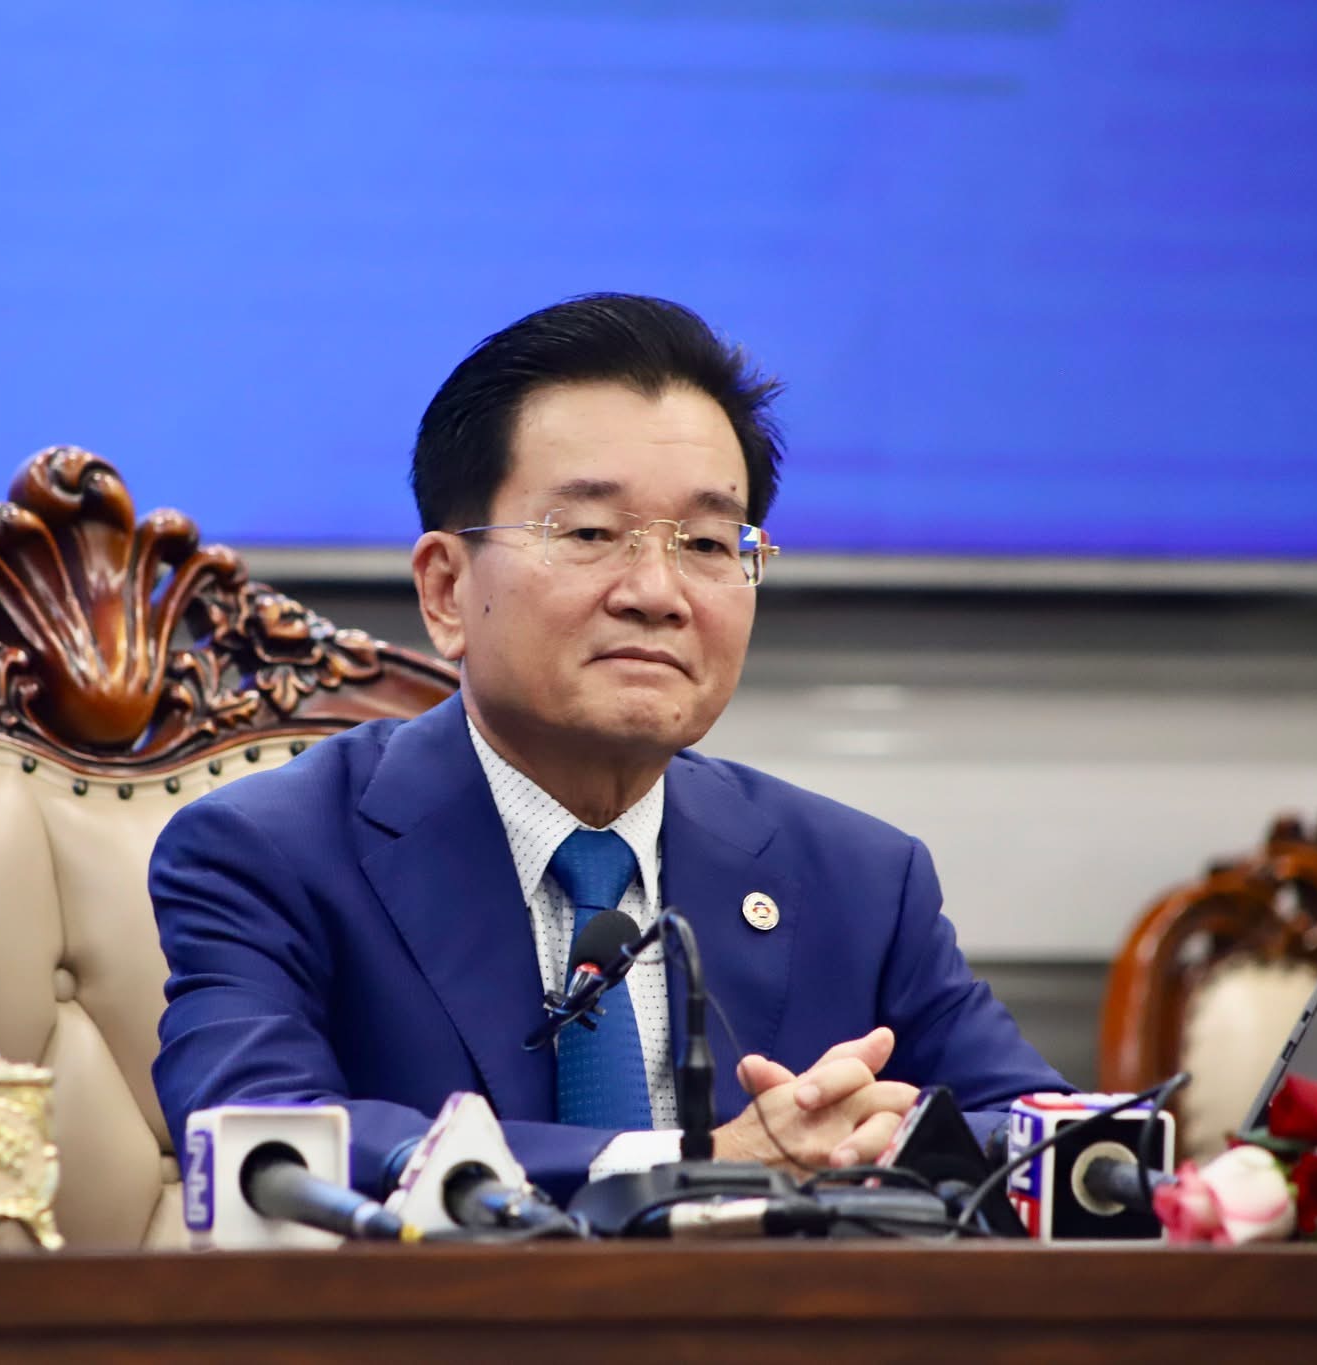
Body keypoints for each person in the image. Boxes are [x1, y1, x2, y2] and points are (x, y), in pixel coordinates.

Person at [151, 293, 1066, 1201]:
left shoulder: (860, 879)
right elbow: (254, 1133)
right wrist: (687, 1170)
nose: (657, 593)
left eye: (708, 542)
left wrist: (893, 1142)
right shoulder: (269, 851)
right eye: (590, 533)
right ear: (445, 591)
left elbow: (1058, 1141)